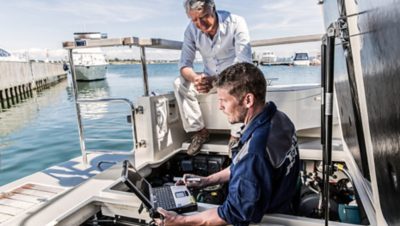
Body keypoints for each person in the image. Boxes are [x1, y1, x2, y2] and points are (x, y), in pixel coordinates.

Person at [157, 62, 300, 226]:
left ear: (248, 100)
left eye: (224, 100)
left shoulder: (255, 151)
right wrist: (207, 180)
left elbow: (232, 213)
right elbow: (243, 166)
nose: (220, 107)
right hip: (285, 203)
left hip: (268, 218)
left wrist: (179, 220)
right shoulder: (280, 119)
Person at [174, 0, 252, 156]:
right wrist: (196, 78)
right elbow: (184, 65)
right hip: (209, 80)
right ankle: (200, 132)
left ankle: (236, 135)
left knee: (243, 79)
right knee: (179, 83)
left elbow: (244, 63)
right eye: (194, 19)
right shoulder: (191, 30)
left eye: (204, 16)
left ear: (213, 9)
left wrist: (215, 80)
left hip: (232, 78)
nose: (200, 23)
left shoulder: (236, 22)